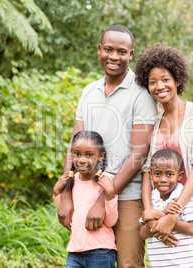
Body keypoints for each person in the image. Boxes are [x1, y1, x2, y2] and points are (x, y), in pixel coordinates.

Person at [57, 25, 157, 267]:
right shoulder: (88, 91)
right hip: (87, 194)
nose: (114, 57)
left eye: (121, 52)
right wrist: (67, 194)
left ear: (131, 54)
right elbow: (75, 144)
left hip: (127, 196)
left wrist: (104, 199)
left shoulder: (142, 93)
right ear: (99, 50)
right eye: (109, 50)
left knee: (128, 263)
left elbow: (139, 153)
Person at [135, 44, 193, 268]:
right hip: (160, 212)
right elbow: (147, 171)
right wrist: (151, 216)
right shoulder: (154, 122)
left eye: (165, 79)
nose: (159, 86)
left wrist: (173, 215)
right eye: (152, 82)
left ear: (177, 80)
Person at [53, 131, 117, 268]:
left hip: (101, 251)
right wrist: (57, 192)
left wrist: (110, 194)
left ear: (101, 156)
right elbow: (69, 216)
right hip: (75, 251)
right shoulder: (71, 181)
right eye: (77, 154)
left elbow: (111, 221)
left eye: (89, 155)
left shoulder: (105, 181)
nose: (82, 159)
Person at [140, 148, 193, 267]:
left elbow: (191, 229)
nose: (163, 179)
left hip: (186, 264)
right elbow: (143, 234)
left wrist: (158, 215)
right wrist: (163, 212)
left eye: (169, 174)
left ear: (179, 176)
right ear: (151, 175)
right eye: (158, 174)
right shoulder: (151, 198)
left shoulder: (185, 197)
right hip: (160, 264)